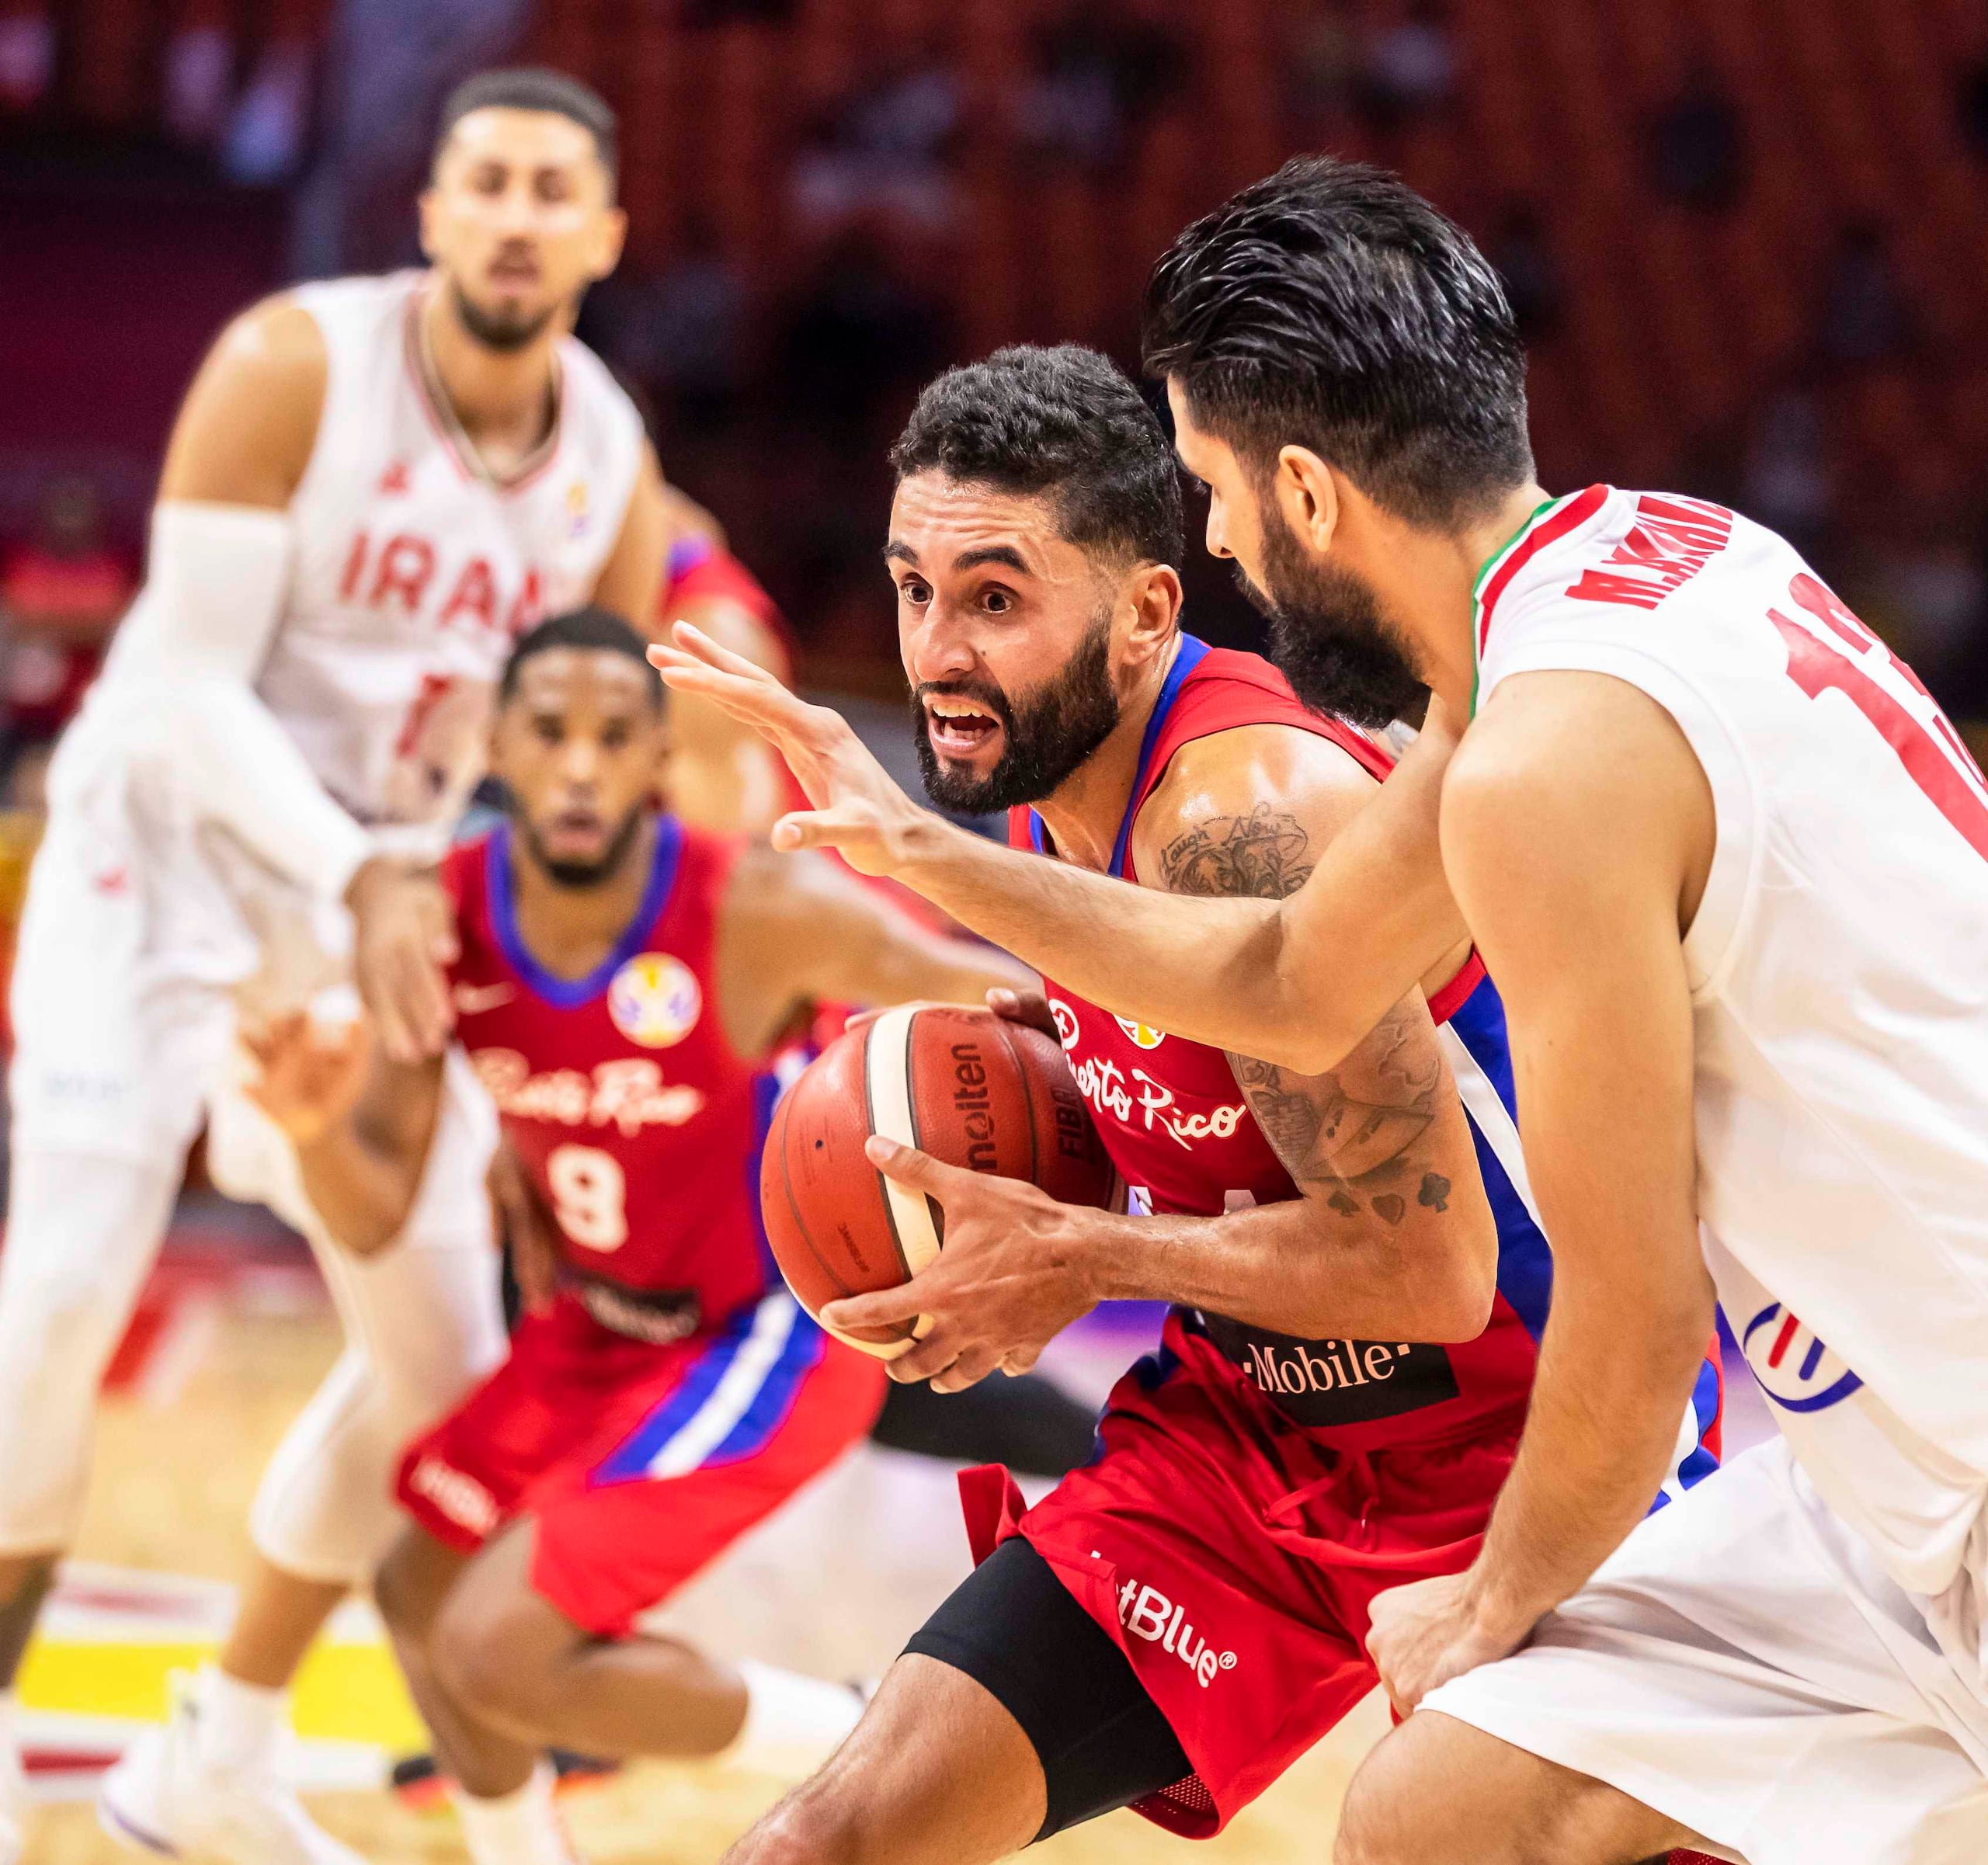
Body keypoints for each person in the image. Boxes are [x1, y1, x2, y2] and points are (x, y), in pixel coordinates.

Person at [658, 158, 1988, 1863]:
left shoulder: (1532, 765)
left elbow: (1637, 1322)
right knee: (1432, 1821)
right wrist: (913, 849)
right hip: (1872, 1477)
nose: (1209, 541)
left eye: (1210, 491)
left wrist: (1482, 1605)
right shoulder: (1641, 577)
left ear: (1297, 485)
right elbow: (1288, 974)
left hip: (1897, 1433)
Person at [697, 345, 1717, 1863]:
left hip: (1523, 1466)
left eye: (994, 597)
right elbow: (1216, 1056)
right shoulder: (1059, 786)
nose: (936, 650)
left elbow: (1428, 1269)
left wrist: (1077, 1253)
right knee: (827, 1841)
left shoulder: (1241, 817)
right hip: (1243, 1451)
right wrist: (1069, 1051)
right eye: (914, 590)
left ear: (1144, 613)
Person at [59, 67, 668, 1865]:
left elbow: (577, 765)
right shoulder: (297, 364)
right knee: (106, 1324)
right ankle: (516, 1842)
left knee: (441, 1374)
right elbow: (182, 684)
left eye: (553, 187)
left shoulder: (608, 458)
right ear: (429, 206)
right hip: (193, 875)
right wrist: (368, 878)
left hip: (380, 920)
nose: (513, 214)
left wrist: (531, 994)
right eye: (483, 178)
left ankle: (213, 1755)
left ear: (606, 232)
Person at [237, 607, 1026, 1864]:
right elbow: (374, 1207)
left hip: (762, 1330)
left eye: (618, 736)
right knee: (415, 1591)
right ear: (498, 742)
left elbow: (1001, 998)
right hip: (597, 1322)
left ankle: (860, 1732)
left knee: (499, 1643)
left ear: (662, 761)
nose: (585, 764)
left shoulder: (753, 908)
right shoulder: (443, 919)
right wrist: (317, 1128)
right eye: (551, 732)